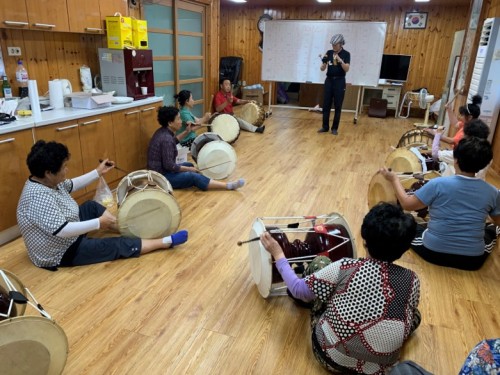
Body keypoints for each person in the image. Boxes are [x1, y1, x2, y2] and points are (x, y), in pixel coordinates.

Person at [261, 202, 421, 374]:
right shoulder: (412, 279)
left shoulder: (345, 267)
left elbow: (297, 289)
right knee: (415, 315)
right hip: (378, 369)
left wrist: (278, 254)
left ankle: (314, 296)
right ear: (403, 250)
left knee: (320, 264)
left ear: (365, 241)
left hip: (330, 357)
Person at [16, 140, 189, 270]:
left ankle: (131, 229)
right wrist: (99, 223)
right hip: (60, 251)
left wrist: (98, 172)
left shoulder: (47, 180)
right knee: (115, 245)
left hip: (66, 230)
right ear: (48, 173)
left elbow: (71, 184)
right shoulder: (36, 197)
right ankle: (164, 242)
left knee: (91, 206)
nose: (66, 170)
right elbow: (62, 231)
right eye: (64, 167)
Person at [379, 137, 500, 270]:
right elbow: (497, 221)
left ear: (456, 160)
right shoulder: (493, 192)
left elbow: (407, 205)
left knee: (411, 223)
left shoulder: (438, 184)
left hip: (433, 252)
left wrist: (394, 179)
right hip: (472, 261)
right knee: (492, 229)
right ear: (483, 164)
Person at [147, 105, 245, 191]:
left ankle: (206, 181)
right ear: (170, 123)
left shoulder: (163, 131)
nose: (181, 122)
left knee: (189, 164)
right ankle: (227, 186)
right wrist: (189, 169)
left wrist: (187, 131)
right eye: (178, 119)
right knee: (192, 175)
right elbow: (170, 166)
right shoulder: (166, 139)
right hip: (161, 177)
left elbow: (174, 141)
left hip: (163, 170)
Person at [318, 34, 350, 135]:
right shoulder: (329, 52)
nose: (333, 47)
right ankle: (325, 127)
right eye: (332, 45)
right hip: (329, 80)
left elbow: (347, 69)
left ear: (341, 44)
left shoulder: (346, 54)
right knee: (326, 104)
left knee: (338, 105)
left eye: (335, 45)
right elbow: (322, 68)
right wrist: (323, 66)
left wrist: (340, 60)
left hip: (340, 81)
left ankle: (334, 128)